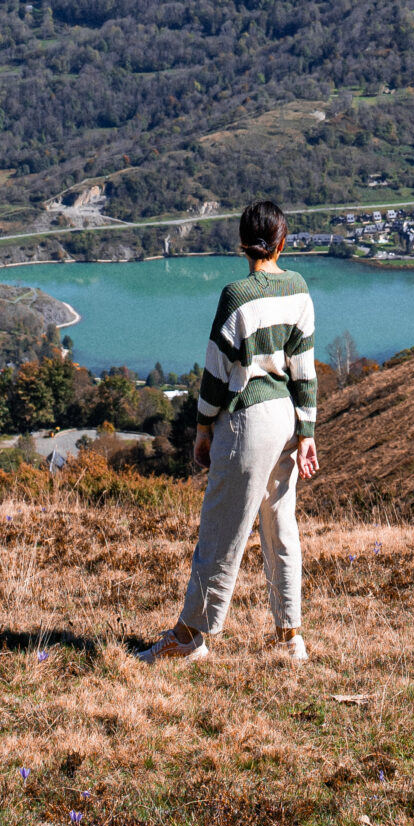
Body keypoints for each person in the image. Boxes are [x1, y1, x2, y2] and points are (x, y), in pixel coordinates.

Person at [139, 197, 319, 664]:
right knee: (281, 527)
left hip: (247, 421)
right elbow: (304, 370)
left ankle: (190, 636)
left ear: (243, 243)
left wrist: (202, 429)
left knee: (221, 531)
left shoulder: (236, 295)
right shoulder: (299, 289)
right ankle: (290, 636)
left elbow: (216, 376)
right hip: (284, 420)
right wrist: (307, 431)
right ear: (282, 242)